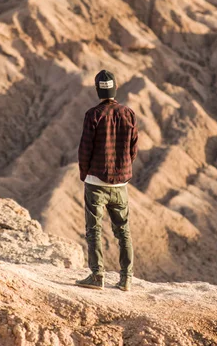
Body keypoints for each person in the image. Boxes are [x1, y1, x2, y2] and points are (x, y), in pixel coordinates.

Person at [76, 70, 138, 292]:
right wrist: (123, 170)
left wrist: (86, 174)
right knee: (123, 231)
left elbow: (85, 150)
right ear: (115, 89)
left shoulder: (93, 115)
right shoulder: (128, 113)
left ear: (97, 90)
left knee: (94, 230)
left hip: (96, 181)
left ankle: (97, 276)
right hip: (120, 184)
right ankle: (126, 278)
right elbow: (133, 149)